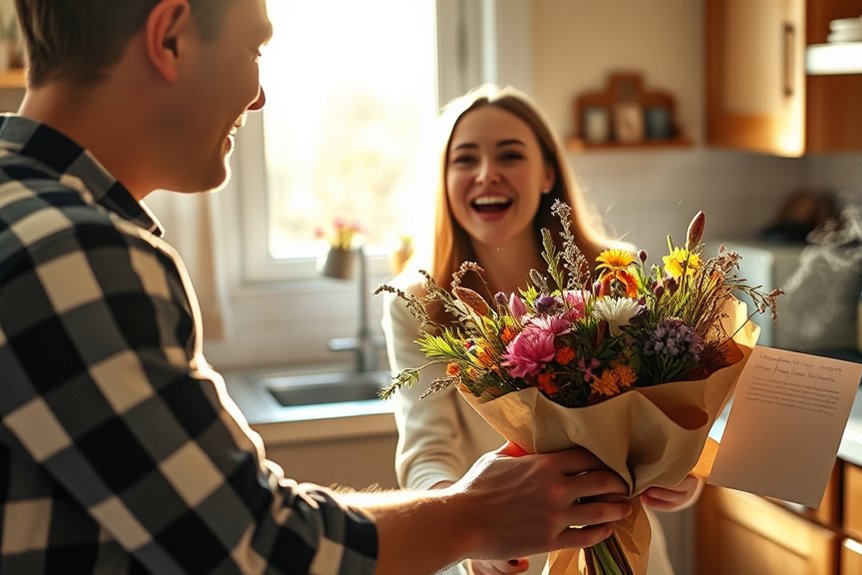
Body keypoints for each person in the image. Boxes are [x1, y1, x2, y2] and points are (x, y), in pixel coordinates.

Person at [0, 2, 634, 573]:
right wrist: (477, 515)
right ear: (170, 39)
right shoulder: (77, 252)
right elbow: (258, 545)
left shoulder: (30, 216)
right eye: (254, 48)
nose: (259, 98)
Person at [382, 84, 705, 575]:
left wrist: (682, 475)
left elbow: (667, 422)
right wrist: (469, 535)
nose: (486, 174)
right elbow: (427, 454)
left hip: (623, 551)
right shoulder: (418, 306)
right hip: (507, 558)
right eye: (464, 160)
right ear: (445, 180)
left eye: (510, 155)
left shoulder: (615, 277)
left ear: (547, 172)